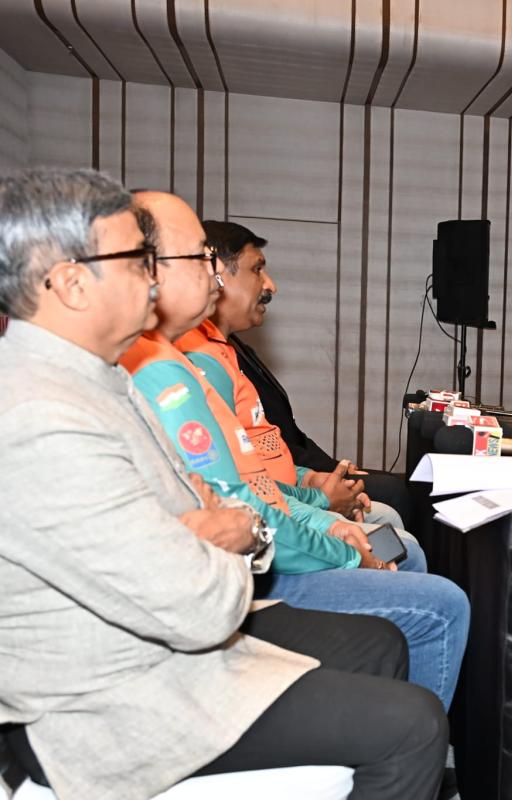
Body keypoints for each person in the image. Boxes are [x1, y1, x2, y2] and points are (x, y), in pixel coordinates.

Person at [0, 167, 447, 800]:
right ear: (72, 284)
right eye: (137, 261)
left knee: (378, 645)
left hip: (163, 654)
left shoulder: (100, 378)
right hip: (109, 708)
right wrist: (219, 535)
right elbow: (200, 606)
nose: (153, 279)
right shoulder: (42, 416)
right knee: (413, 726)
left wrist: (221, 532)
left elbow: (216, 509)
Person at [120, 190, 469, 711]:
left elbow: (259, 476)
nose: (213, 275)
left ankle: (397, 718)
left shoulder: (197, 356)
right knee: (439, 602)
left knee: (395, 542)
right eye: (200, 258)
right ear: (147, 269)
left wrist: (319, 504)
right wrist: (337, 534)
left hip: (267, 541)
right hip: (253, 574)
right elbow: (241, 506)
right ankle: (415, 731)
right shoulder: (167, 369)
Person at [179, 223, 419, 560]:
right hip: (271, 527)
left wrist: (311, 480)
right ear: (216, 275)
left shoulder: (225, 349)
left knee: (391, 525)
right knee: (405, 549)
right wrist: (321, 502)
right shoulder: (195, 361)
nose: (270, 285)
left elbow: (270, 446)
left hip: (289, 500)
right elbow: (239, 491)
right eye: (257, 270)